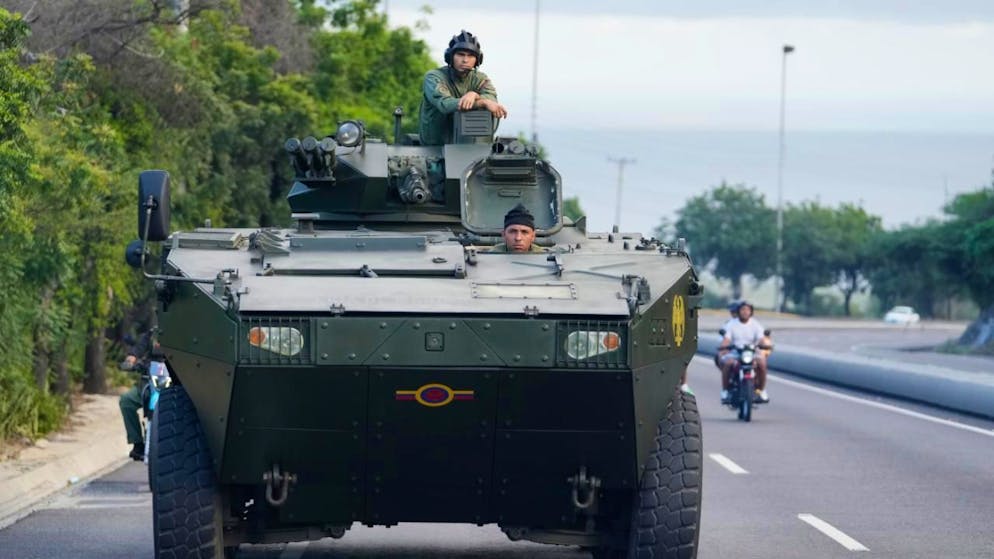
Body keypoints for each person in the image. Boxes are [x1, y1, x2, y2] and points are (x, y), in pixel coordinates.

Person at [418, 30, 508, 146]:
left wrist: (474, 95)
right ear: (450, 57)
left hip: (470, 149)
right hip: (434, 147)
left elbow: (492, 102)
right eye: (460, 54)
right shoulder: (434, 77)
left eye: (470, 56)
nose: (465, 60)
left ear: (477, 60)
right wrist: (481, 102)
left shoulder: (480, 79)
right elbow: (445, 104)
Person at [717, 301, 769, 404]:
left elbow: (761, 338)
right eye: (743, 310)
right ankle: (725, 391)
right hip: (736, 352)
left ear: (751, 312)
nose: (745, 312)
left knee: (762, 364)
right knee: (728, 364)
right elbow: (726, 339)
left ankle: (761, 390)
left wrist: (763, 345)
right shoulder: (731, 324)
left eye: (747, 310)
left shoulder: (755, 324)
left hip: (751, 352)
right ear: (739, 311)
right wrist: (724, 347)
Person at [118, 331, 154, 461]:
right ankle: (138, 444)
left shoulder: (182, 333)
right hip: (149, 384)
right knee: (126, 400)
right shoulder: (152, 334)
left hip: (173, 386)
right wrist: (130, 360)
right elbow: (137, 350)